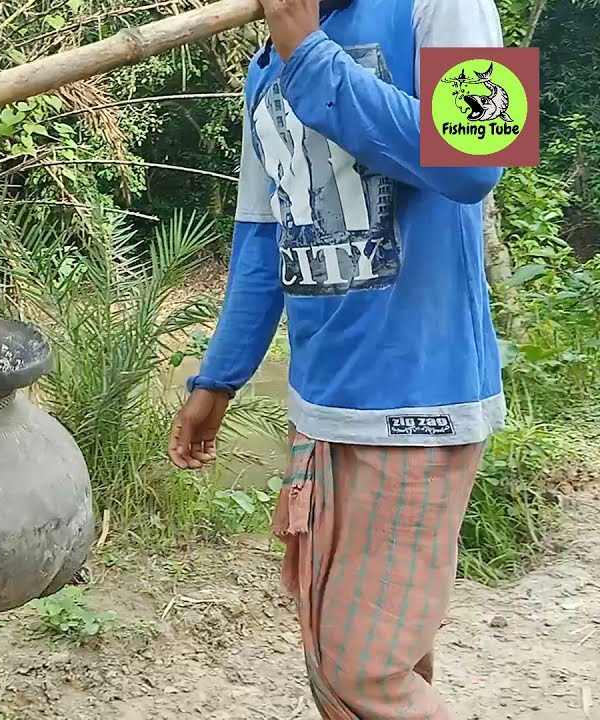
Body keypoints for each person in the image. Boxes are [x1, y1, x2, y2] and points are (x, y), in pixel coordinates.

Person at [170, 0, 505, 717]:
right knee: (340, 657)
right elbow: (264, 238)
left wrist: (311, 55)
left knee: (363, 672)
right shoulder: (265, 67)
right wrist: (218, 379)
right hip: (320, 407)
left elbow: (479, 162)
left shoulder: (442, 5)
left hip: (420, 399)